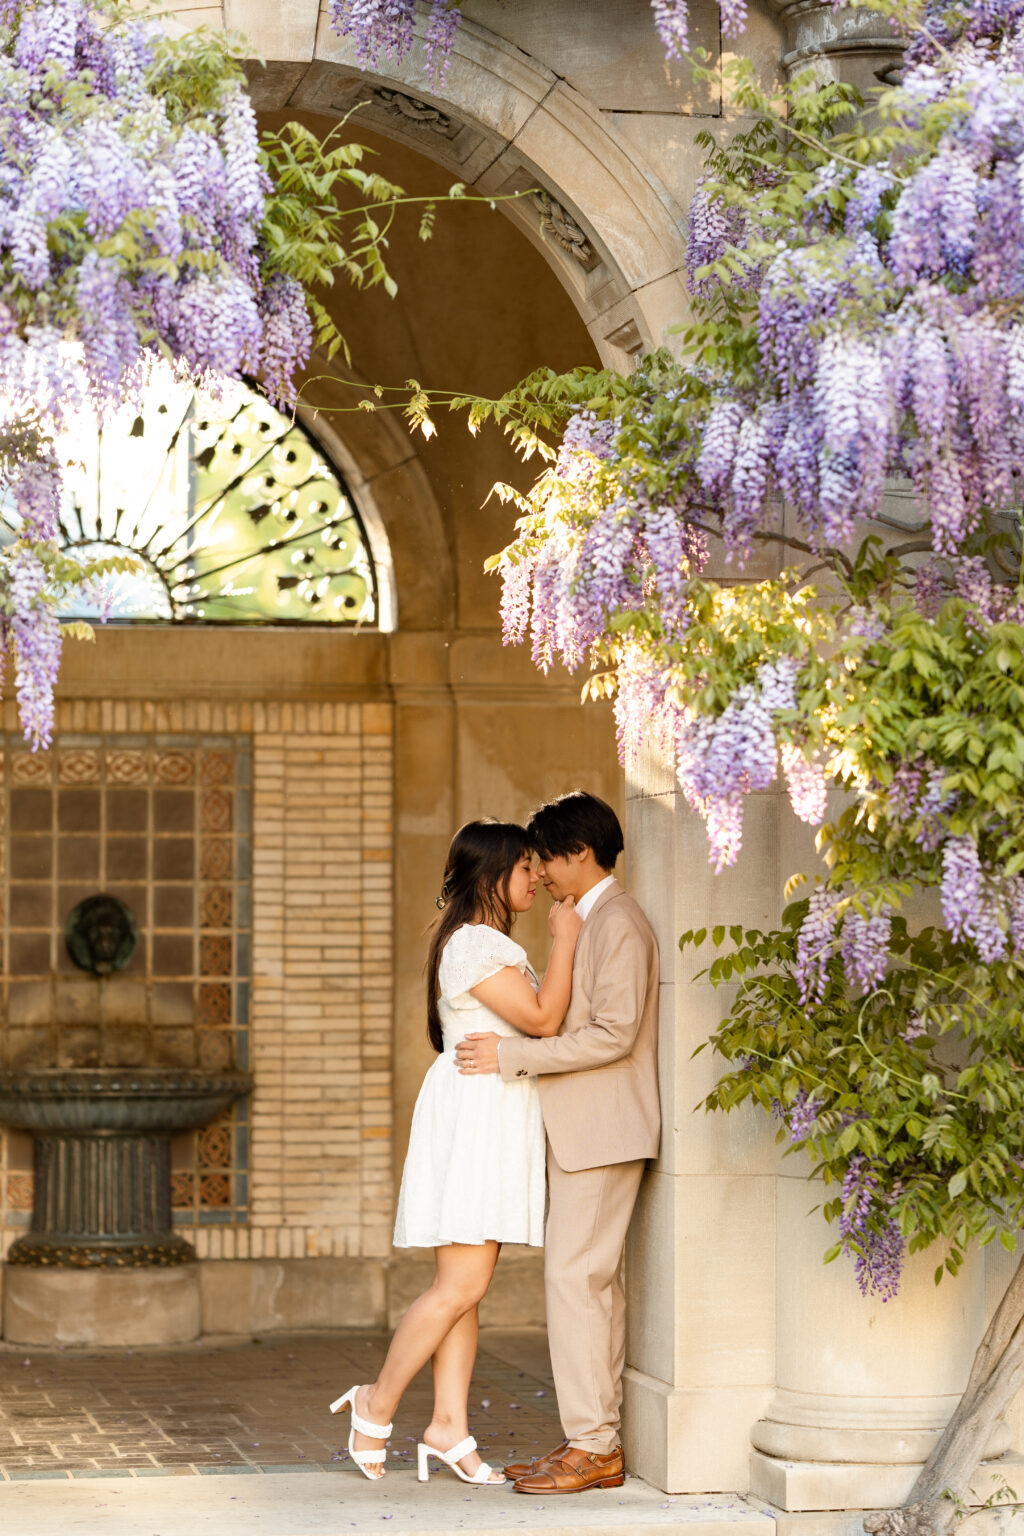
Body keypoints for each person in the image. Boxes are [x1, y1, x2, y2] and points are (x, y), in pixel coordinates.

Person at [330, 819, 582, 1485]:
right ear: (490, 874)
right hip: (475, 1115)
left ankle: (448, 1426)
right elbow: (542, 1021)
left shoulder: (484, 942)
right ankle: (374, 1402)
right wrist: (567, 940)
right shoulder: (473, 943)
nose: (535, 877)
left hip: (490, 1110)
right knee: (460, 1284)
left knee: (468, 1289)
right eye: (523, 867)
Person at [455, 790, 660, 1496]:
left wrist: (513, 1059)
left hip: (603, 1131)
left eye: (544, 856)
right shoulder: (590, 919)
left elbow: (614, 1032)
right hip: (584, 1130)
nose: (538, 872)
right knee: (586, 1287)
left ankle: (594, 1447)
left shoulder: (620, 923)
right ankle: (589, 1440)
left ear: (578, 853)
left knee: (576, 1284)